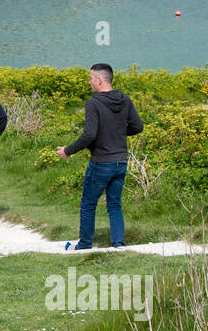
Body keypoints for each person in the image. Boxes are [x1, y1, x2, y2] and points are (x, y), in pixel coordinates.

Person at [58, 63, 144, 250]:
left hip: (101, 162)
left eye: (90, 78)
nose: (89, 82)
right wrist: (117, 133)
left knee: (88, 203)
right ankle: (118, 244)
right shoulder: (125, 100)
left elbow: (89, 135)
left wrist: (68, 150)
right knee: (114, 204)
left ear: (99, 80)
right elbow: (138, 127)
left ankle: (85, 244)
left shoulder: (94, 103)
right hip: (121, 160)